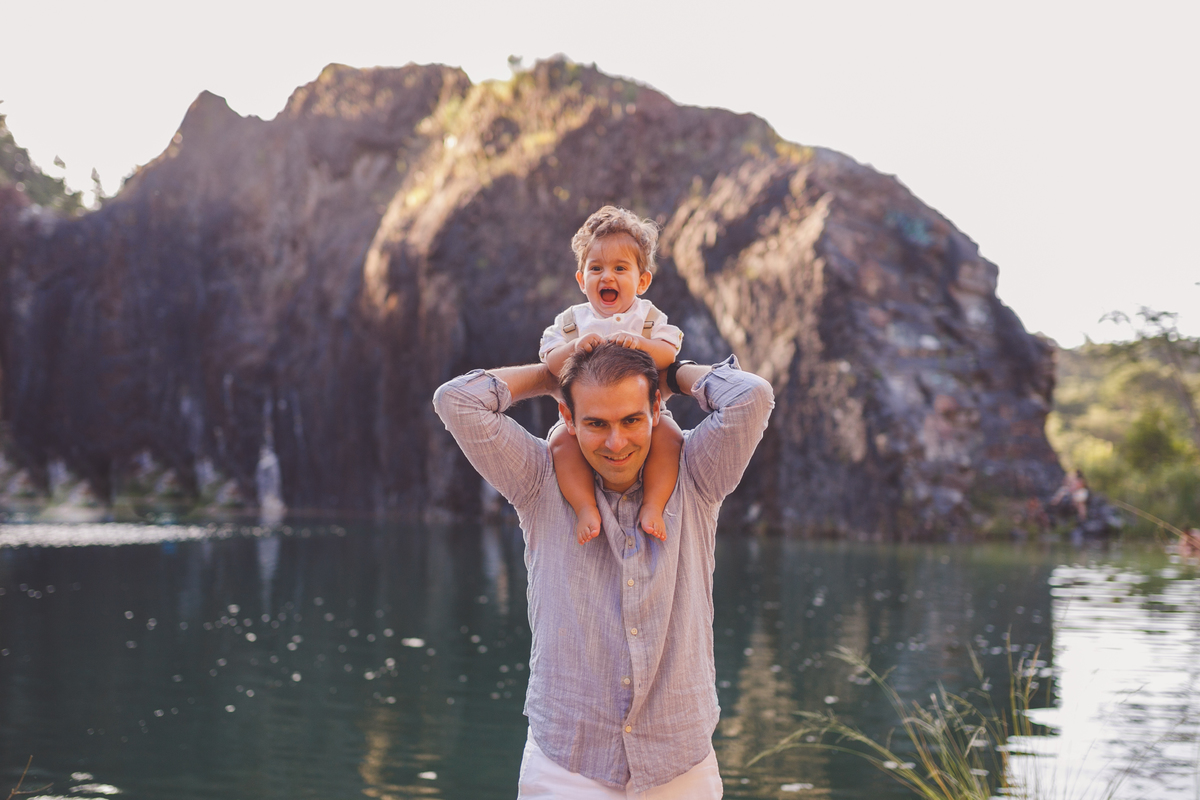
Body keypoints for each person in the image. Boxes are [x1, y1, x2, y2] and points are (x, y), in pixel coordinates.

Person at [433, 342, 774, 798]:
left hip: (680, 765)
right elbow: (456, 400)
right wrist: (551, 375)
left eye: (631, 419)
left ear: (656, 409)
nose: (616, 443)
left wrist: (674, 374)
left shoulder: (697, 473)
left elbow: (751, 396)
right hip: (567, 767)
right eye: (595, 422)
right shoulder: (538, 478)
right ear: (568, 420)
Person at [540, 206, 685, 545]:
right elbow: (549, 359)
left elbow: (670, 350)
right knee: (560, 443)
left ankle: (653, 504)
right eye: (596, 268)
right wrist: (573, 346)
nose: (607, 277)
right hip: (584, 419)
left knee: (670, 438)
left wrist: (641, 344)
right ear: (581, 279)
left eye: (620, 268)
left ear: (642, 280)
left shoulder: (647, 318)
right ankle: (585, 507)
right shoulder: (572, 321)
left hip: (641, 414)